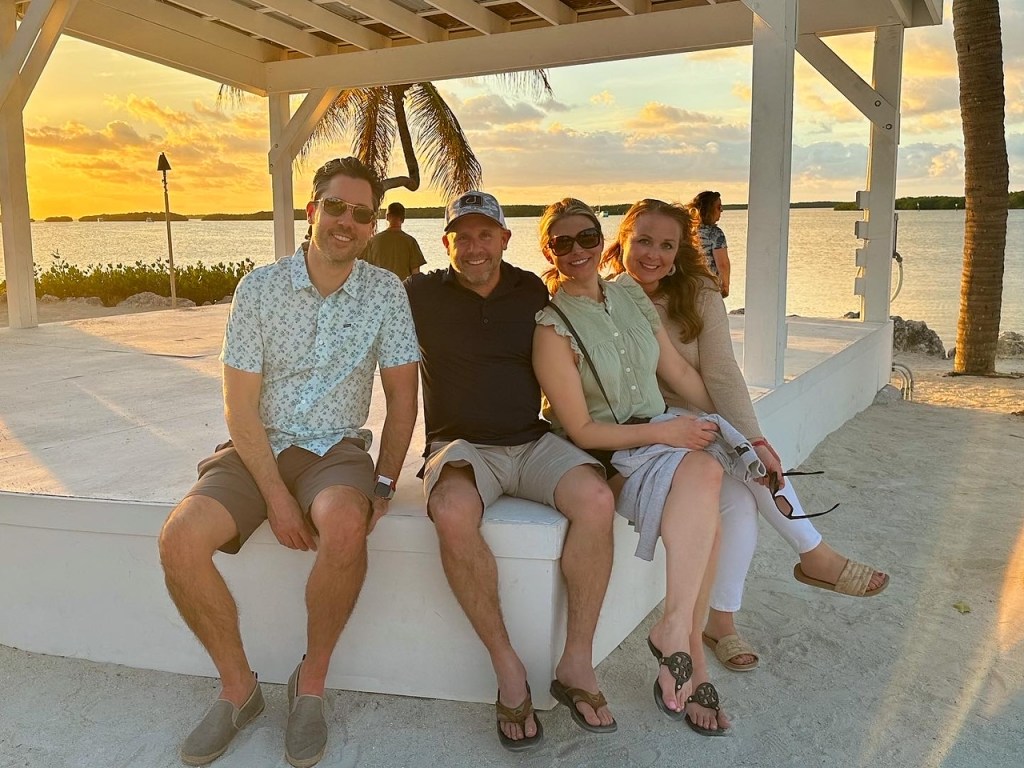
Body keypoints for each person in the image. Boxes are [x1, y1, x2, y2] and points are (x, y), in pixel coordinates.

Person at [158, 157, 420, 768]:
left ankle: (311, 684)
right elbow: (239, 406)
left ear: (372, 226)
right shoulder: (260, 289)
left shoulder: (385, 293)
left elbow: (404, 398)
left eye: (362, 213)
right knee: (179, 539)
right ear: (312, 210)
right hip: (259, 444)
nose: (347, 221)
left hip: (335, 447)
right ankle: (238, 690)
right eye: (337, 207)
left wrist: (384, 481)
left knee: (346, 523)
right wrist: (276, 498)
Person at [603, 197, 889, 672]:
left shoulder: (699, 292)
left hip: (707, 416)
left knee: (746, 483)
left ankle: (740, 608)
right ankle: (778, 581)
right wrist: (736, 435)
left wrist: (751, 438)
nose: (653, 254)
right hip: (655, 428)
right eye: (644, 241)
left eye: (667, 245)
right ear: (623, 240)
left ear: (679, 250)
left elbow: (722, 371)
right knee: (738, 496)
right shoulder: (611, 300)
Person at [404, 191, 618, 751]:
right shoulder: (419, 293)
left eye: (485, 234)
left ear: (504, 238)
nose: (474, 247)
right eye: (462, 237)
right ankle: (508, 667)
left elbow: (597, 308)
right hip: (461, 445)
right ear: (446, 243)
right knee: (451, 510)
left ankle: (576, 661)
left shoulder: (531, 290)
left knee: (597, 500)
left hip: (531, 440)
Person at [533, 198, 738, 737]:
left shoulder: (629, 296)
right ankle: (689, 650)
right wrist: (665, 434)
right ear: (549, 252)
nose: (577, 250)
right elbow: (582, 431)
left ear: (603, 241)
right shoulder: (551, 327)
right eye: (562, 242)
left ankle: (677, 634)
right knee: (707, 489)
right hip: (611, 450)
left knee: (711, 479)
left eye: (587, 238)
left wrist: (738, 429)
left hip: (663, 433)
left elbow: (680, 375)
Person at [365, 201, 426, 279]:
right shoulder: (411, 241)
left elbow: (367, 271)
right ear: (403, 219)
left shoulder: (373, 241)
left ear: (387, 217)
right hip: (403, 286)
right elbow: (416, 275)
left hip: (379, 286)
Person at [689, 190, 730, 298]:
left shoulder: (687, 231)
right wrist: (725, 286)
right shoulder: (715, 233)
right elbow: (723, 264)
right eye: (719, 207)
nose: (721, 210)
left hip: (689, 286)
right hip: (709, 286)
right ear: (709, 209)